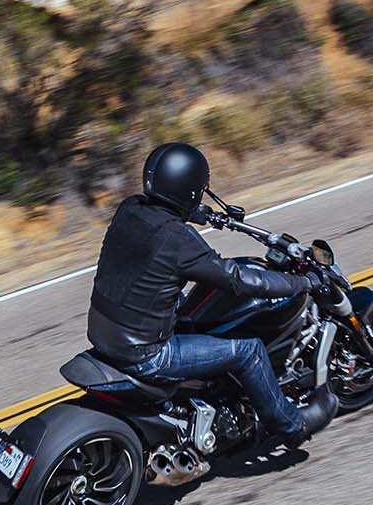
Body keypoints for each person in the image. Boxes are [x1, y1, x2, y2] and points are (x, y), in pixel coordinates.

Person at [87, 141, 322, 447]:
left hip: (108, 333)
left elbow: (167, 214)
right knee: (249, 350)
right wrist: (302, 283)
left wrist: (204, 214)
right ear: (190, 189)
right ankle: (291, 425)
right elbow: (236, 279)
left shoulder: (131, 209)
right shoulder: (177, 239)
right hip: (148, 354)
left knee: (189, 308)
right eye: (199, 190)